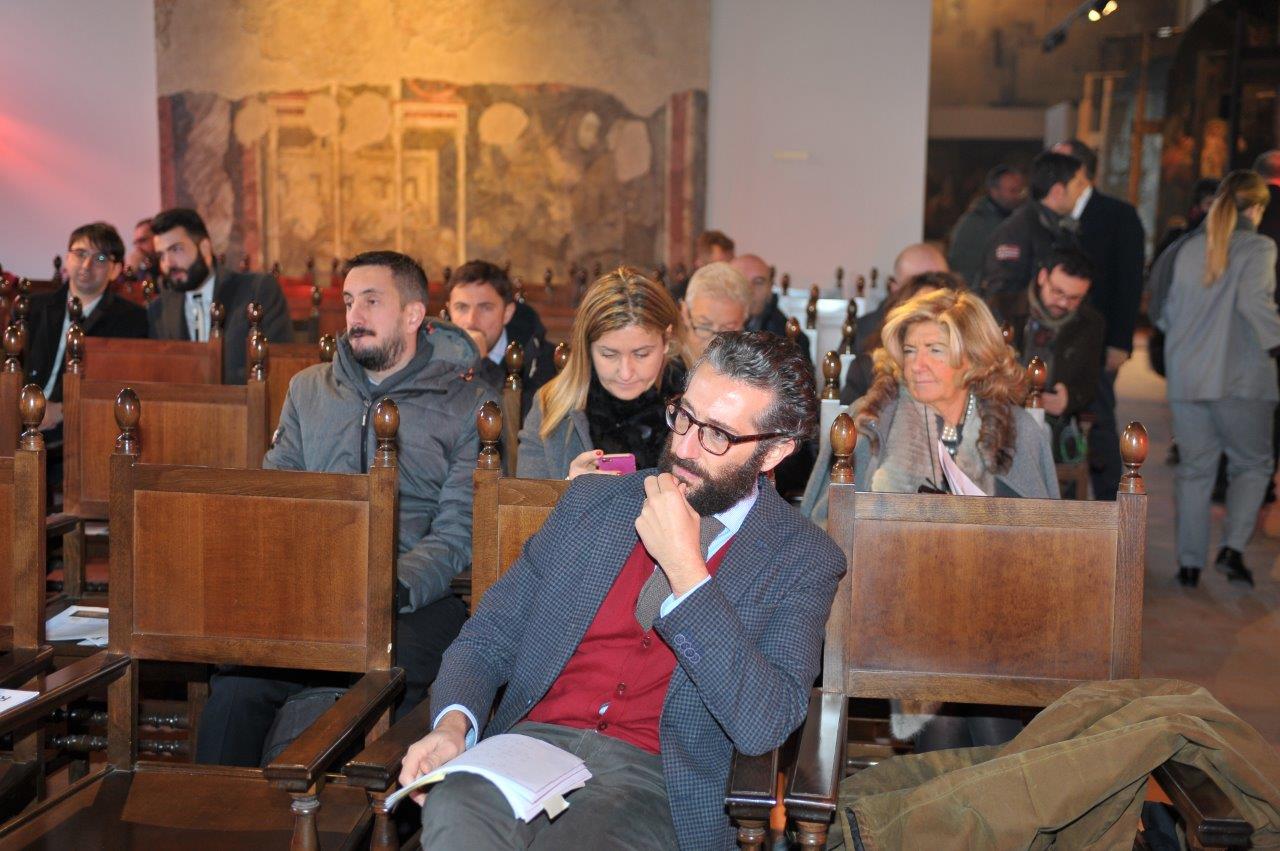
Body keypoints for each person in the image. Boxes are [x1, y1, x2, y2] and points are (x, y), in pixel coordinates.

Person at [402, 331, 846, 850]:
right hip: (529, 748)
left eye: (718, 435)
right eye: (684, 416)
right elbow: (488, 637)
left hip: (658, 783)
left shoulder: (802, 558)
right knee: (455, 806)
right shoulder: (594, 503)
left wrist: (686, 571)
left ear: (774, 451)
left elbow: (764, 725)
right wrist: (453, 726)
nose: (684, 448)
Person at [195, 251, 490, 767]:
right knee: (238, 682)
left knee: (385, 681)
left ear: (413, 314)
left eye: (372, 302)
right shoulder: (309, 389)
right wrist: (300, 584)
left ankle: (355, 805)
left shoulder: (466, 403)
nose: (355, 315)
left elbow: (458, 529)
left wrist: (391, 585)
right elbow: (277, 498)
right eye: (350, 302)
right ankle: (216, 811)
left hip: (411, 598)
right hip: (311, 591)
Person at [804, 288, 1058, 519]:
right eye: (910, 350)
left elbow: (1049, 533)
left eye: (935, 350)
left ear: (973, 358)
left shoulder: (1015, 429)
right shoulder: (871, 419)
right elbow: (827, 525)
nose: (917, 365)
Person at [1155, 171, 1280, 589]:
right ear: (1257, 208)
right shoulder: (1259, 247)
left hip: (1187, 378)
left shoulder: (1189, 247)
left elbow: (1165, 313)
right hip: (1241, 379)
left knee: (1194, 470)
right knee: (1252, 464)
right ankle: (1232, 550)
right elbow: (1255, 304)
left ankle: (1189, 564)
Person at [517, 268, 684, 480]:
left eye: (642, 354)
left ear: (666, 340)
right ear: (587, 347)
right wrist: (568, 490)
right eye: (609, 354)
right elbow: (526, 499)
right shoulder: (551, 407)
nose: (626, 373)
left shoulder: (698, 408)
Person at [1050, 139, 1147, 501]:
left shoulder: (1118, 214)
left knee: (1099, 418)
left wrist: (1120, 342)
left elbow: (1129, 283)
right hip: (1054, 339)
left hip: (1099, 339)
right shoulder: (1048, 211)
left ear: (1079, 172)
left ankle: (1109, 504)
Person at [990, 247, 1105, 481]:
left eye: (1074, 298)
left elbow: (1090, 383)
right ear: (1043, 277)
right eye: (1058, 292)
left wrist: (1068, 400)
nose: (1063, 302)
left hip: (1053, 421)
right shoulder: (1002, 309)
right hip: (999, 409)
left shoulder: (1091, 324)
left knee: (1038, 436)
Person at [25, 222, 149, 432]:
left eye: (99, 258)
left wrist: (63, 410)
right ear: (67, 259)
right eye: (80, 254)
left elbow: (120, 388)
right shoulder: (33, 308)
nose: (86, 264)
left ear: (115, 270)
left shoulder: (131, 319)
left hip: (82, 427)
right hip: (19, 419)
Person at [148, 208, 293, 383]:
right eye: (161, 255)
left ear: (204, 248)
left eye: (176, 249)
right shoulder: (159, 310)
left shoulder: (257, 291)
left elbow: (280, 365)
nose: (167, 264)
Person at [446, 259, 557, 419]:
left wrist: (483, 363)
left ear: (507, 313)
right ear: (449, 310)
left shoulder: (545, 360)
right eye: (461, 307)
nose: (471, 321)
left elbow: (517, 423)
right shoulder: (432, 353)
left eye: (485, 308)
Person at [840, 263, 961, 406]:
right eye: (918, 312)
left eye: (937, 311)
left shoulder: (968, 374)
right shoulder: (867, 370)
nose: (927, 320)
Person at [977, 150, 1089, 298]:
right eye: (1079, 184)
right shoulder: (1018, 231)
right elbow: (1001, 294)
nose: (1083, 191)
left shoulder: (1062, 227)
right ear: (1058, 191)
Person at [947, 165, 1027, 288]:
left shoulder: (1015, 220)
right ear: (995, 192)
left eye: (1020, 191)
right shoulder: (975, 224)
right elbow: (960, 266)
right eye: (1012, 191)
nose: (1017, 196)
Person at [680, 261, 751, 363]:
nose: (713, 343)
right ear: (685, 315)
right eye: (705, 326)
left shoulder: (752, 367)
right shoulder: (666, 370)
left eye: (727, 330)